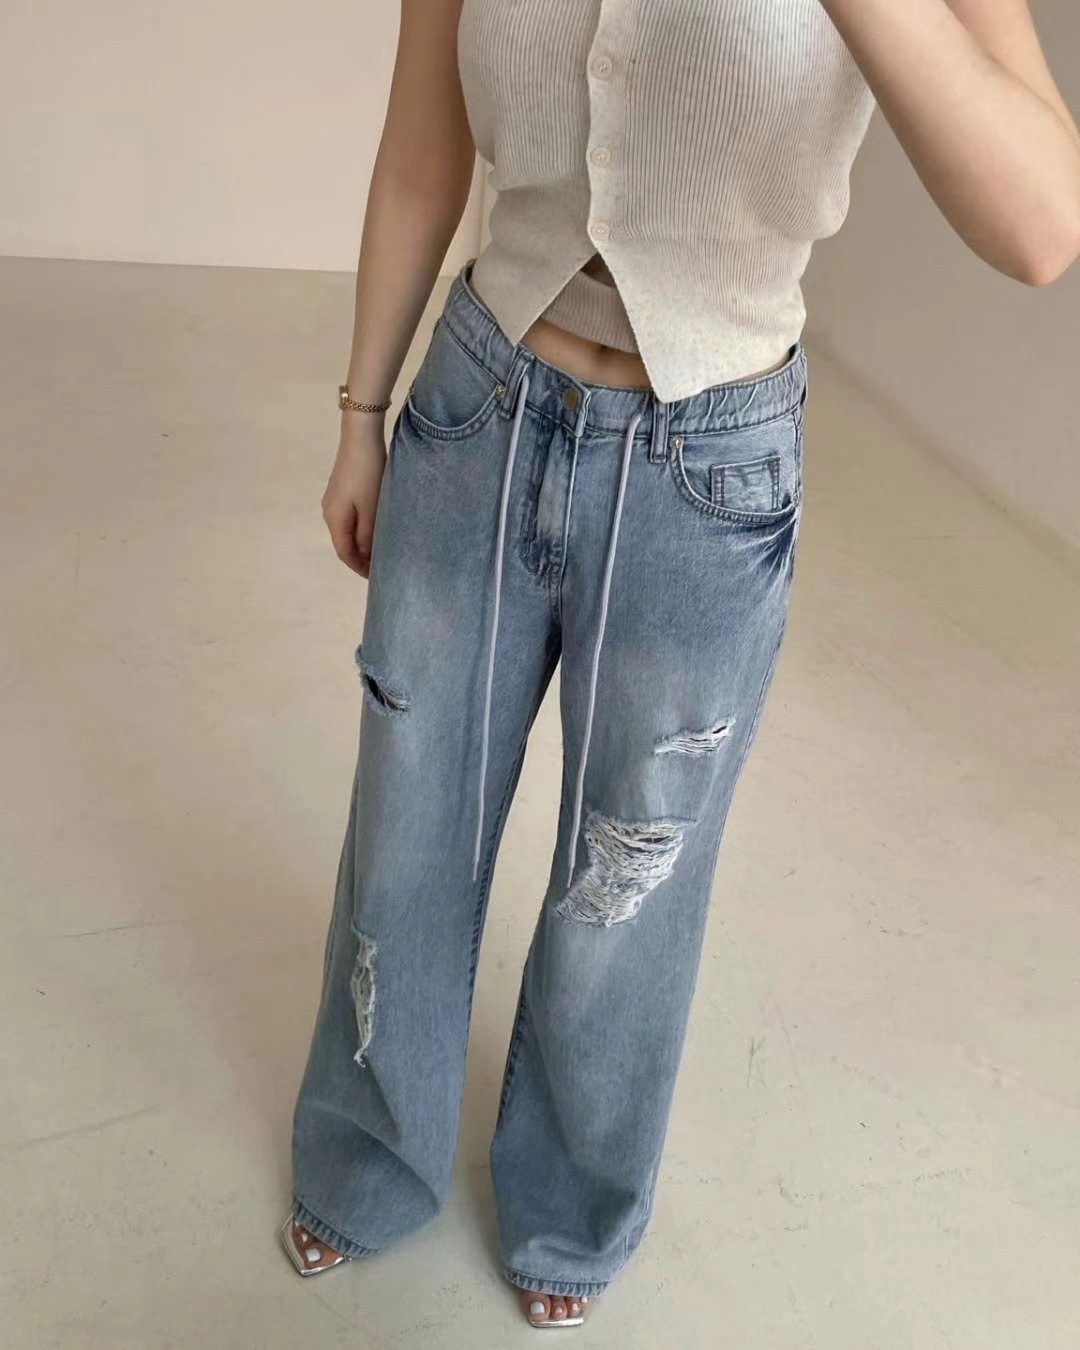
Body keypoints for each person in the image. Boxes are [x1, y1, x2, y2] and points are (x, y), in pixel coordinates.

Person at [280, 0, 1080, 1331]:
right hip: (479, 406)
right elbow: (424, 146)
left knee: (630, 879)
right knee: (405, 829)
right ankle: (368, 1153)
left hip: (707, 466)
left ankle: (571, 1201)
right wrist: (362, 411)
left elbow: (1042, 224)